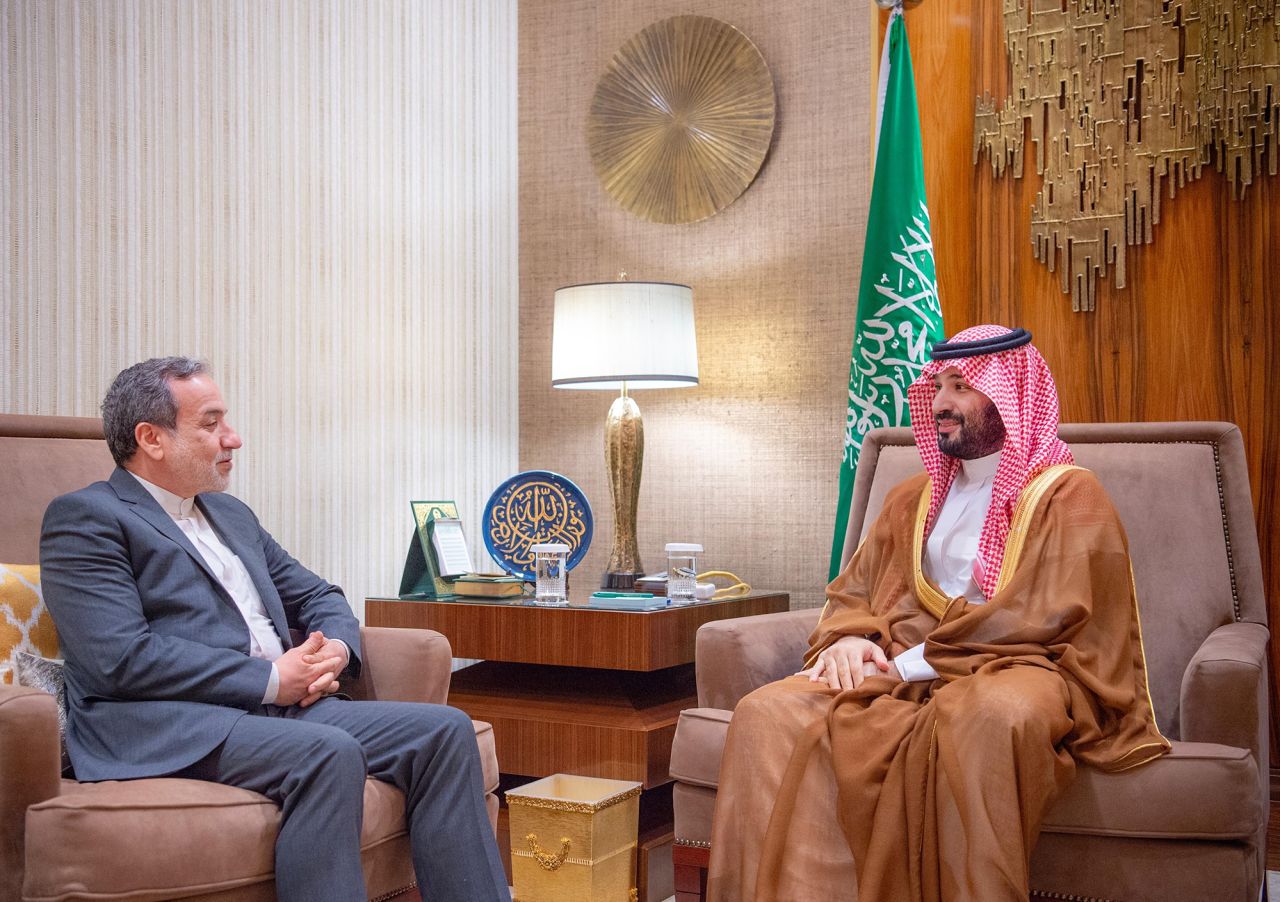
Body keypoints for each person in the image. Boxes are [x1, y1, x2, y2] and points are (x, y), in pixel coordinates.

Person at [706, 325, 1169, 902]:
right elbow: (855, 591)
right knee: (766, 712)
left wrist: (914, 665)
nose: (941, 402)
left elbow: (1046, 618)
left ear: (1009, 396)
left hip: (1020, 667)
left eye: (962, 387)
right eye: (938, 386)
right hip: (898, 664)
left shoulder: (1068, 495)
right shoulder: (912, 497)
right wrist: (848, 639)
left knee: (991, 718)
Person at [39, 357, 509, 902]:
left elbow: (318, 594)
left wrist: (335, 648)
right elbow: (118, 657)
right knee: (327, 751)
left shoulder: (229, 514)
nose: (232, 437)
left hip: (278, 708)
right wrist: (269, 678)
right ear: (152, 438)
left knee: (444, 732)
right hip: (170, 722)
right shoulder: (86, 517)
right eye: (211, 423)